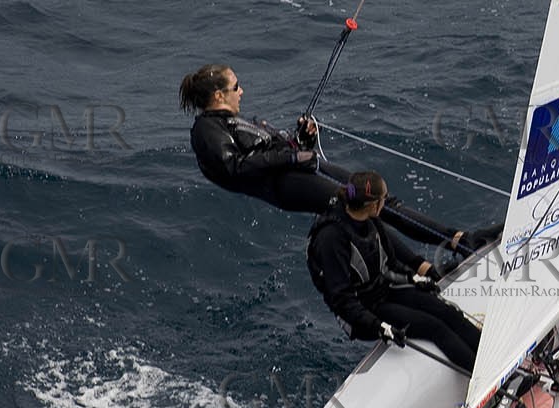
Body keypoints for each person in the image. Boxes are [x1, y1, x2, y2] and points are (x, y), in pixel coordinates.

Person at [178, 62, 497, 258]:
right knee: (365, 207)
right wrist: (290, 154)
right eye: (235, 87)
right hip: (288, 185)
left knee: (380, 198)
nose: (242, 91)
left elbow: (271, 151)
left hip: (299, 171)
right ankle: (439, 259)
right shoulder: (207, 130)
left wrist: (303, 139)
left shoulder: (232, 121)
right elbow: (234, 168)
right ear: (218, 95)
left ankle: (457, 240)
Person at [307, 171, 482, 374]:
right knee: (434, 327)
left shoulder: (371, 220)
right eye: (384, 198)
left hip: (383, 289)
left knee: (446, 311)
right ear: (373, 204)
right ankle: (485, 377)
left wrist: (413, 278)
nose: (386, 201)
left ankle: (494, 358)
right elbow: (341, 300)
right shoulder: (331, 238)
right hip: (362, 312)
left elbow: (390, 263)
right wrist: (378, 326)